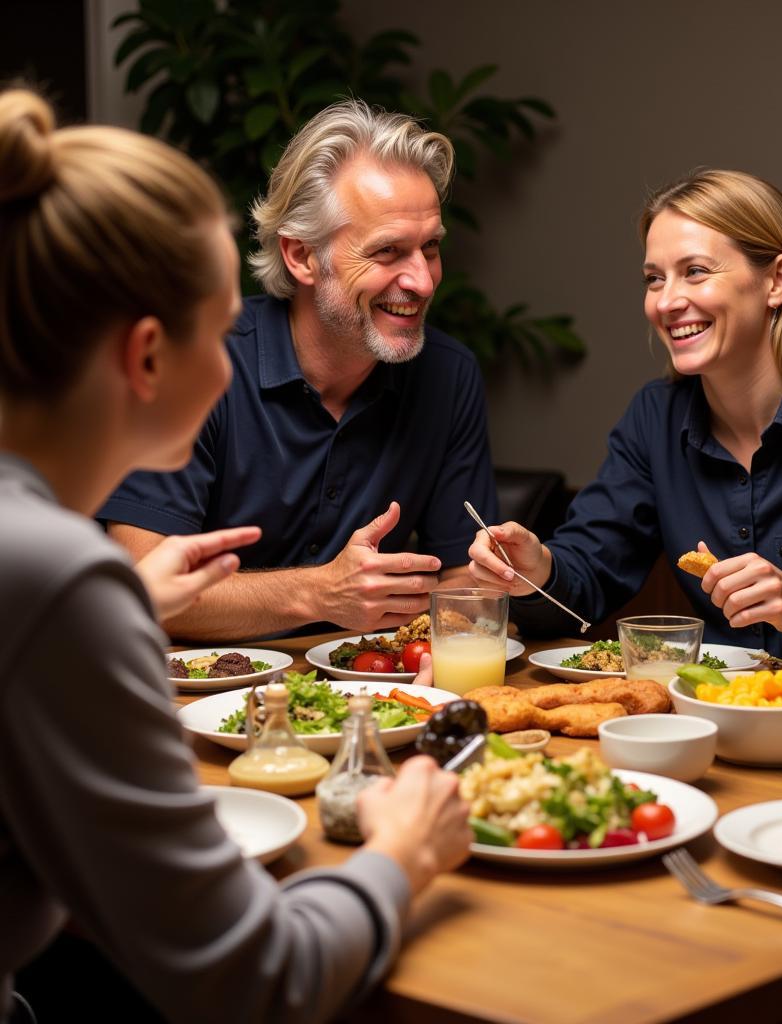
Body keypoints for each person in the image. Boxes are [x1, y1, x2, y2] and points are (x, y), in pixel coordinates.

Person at [0, 88, 470, 1023]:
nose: (238, 363)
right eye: (219, 330)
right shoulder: (52, 574)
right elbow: (255, 980)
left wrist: (130, 600)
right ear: (145, 358)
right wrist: (400, 855)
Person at [469, 169, 782, 689]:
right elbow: (583, 586)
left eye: (696, 271)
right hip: (710, 731)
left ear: (777, 281)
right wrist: (538, 568)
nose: (666, 302)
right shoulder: (654, 418)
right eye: (654, 278)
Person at [99, 98, 498, 642]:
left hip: (374, 701)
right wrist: (319, 592)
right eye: (387, 252)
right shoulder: (197, 362)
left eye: (430, 247)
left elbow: (463, 584)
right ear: (301, 256)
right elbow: (139, 588)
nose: (423, 282)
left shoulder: (448, 376)